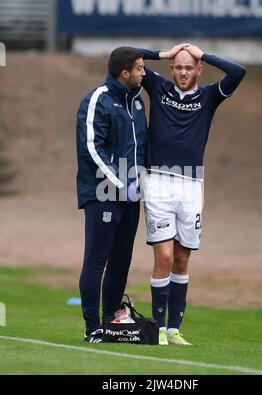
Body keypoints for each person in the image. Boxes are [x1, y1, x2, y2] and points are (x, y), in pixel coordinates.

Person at [139, 44, 246, 345]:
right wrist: (164, 54)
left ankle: (173, 330)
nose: (183, 72)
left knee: (182, 260)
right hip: (159, 182)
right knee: (164, 256)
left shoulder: (210, 96)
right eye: (178, 67)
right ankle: (157, 329)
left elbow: (239, 72)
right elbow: (124, 54)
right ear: (172, 69)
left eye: (189, 67)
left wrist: (203, 54)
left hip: (191, 186)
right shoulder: (158, 87)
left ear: (198, 69)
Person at [76, 47, 147, 343]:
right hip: (102, 192)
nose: (145, 73)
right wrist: (122, 182)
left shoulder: (138, 102)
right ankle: (92, 328)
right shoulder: (97, 99)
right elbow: (93, 148)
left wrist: (142, 180)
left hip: (131, 195)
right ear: (125, 73)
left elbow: (141, 146)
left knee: (121, 261)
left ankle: (110, 323)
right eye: (141, 68)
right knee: (97, 260)